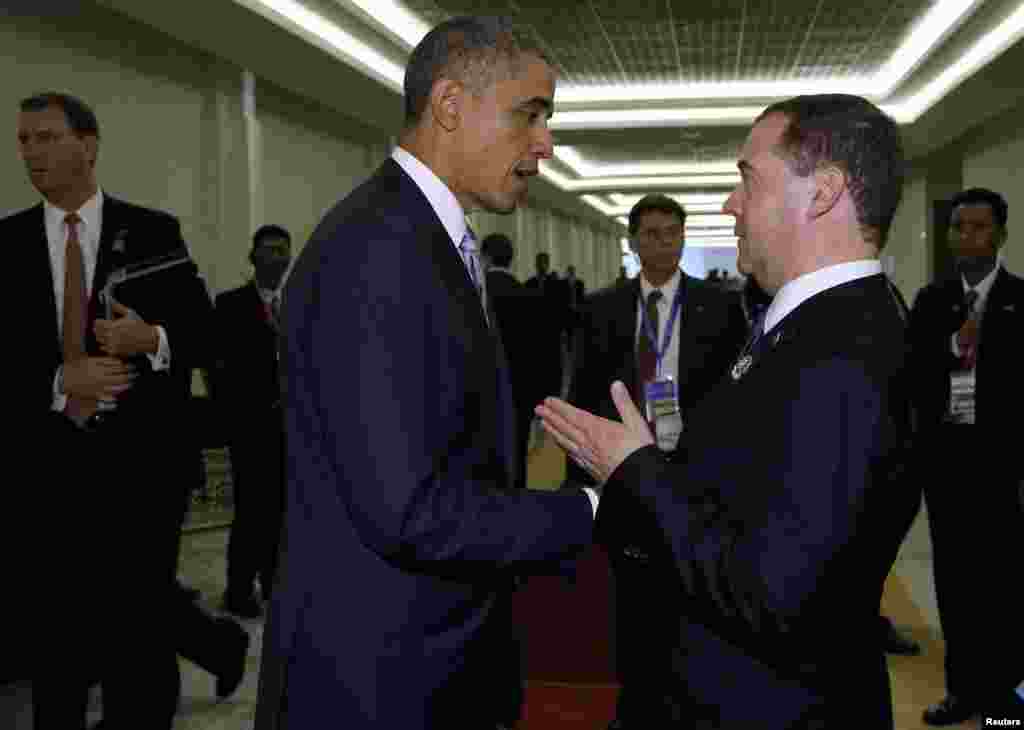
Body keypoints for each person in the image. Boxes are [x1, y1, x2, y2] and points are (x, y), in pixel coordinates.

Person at [255, 16, 596, 730]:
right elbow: (411, 512)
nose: (546, 144)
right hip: (380, 681)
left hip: (431, 660)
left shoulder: (423, 238)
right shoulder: (378, 250)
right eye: (529, 116)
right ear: (448, 106)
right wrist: (592, 508)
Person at [536, 94, 920, 728]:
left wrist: (635, 470)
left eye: (748, 180)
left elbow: (773, 593)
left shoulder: (846, 350)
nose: (729, 205)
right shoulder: (807, 326)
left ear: (822, 193)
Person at [10, 91, 220, 729]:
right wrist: (56, 379)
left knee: (140, 644)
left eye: (46, 138)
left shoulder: (154, 232)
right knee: (58, 653)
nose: (32, 153)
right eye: (23, 141)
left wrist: (152, 340)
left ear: (88, 144)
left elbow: (206, 335)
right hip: (44, 477)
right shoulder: (6, 243)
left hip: (139, 479)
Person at [565, 193, 747, 728]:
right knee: (630, 593)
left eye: (672, 233)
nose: (662, 243)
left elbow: (732, 396)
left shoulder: (719, 307)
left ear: (684, 238)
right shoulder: (601, 308)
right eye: (651, 234)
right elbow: (584, 394)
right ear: (633, 241)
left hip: (694, 470)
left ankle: (689, 699)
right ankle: (636, 704)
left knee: (694, 587)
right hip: (621, 471)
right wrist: (583, 480)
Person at [909, 187, 1024, 726]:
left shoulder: (1021, 300)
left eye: (978, 227)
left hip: (1004, 468)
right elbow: (912, 376)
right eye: (958, 227)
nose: (966, 237)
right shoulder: (931, 302)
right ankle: (962, 690)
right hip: (948, 466)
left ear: (1000, 234)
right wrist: (955, 347)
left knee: (1003, 583)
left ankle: (1004, 697)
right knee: (954, 582)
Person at [215, 224, 292, 619]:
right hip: (249, 426)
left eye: (283, 250)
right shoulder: (230, 305)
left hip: (289, 429)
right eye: (269, 249)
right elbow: (216, 368)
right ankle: (239, 589)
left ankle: (275, 584)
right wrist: (233, 411)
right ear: (253, 256)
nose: (277, 256)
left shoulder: (298, 304)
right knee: (251, 510)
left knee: (281, 511)